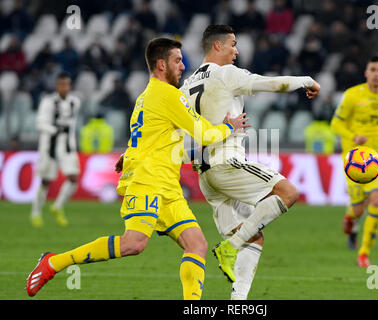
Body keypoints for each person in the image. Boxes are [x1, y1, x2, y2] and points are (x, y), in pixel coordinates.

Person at [26, 37, 249, 299]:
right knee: (133, 244)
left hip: (167, 186)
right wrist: (229, 127)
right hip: (148, 181)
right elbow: (202, 133)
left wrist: (128, 155)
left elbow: (144, 135)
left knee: (197, 244)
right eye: (177, 61)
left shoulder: (146, 96)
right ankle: (53, 263)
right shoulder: (168, 95)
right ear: (161, 65)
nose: (182, 66)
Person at [179, 25, 320, 299]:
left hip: (205, 175)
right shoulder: (226, 73)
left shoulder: (186, 85)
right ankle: (229, 247)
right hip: (227, 163)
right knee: (288, 193)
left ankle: (238, 302)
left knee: (253, 236)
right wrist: (306, 80)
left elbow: (180, 134)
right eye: (232, 44)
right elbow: (272, 84)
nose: (237, 50)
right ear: (217, 46)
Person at [330, 56, 378, 268]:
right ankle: (349, 217)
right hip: (355, 159)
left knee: (376, 200)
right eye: (372, 69)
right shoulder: (352, 95)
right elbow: (336, 124)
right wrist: (353, 136)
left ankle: (363, 253)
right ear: (366, 73)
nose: (376, 73)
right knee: (357, 210)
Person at [30, 73, 81, 228]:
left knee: (73, 178)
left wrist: (72, 143)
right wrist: (55, 129)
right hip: (49, 146)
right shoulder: (48, 102)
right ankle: (36, 213)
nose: (65, 87)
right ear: (56, 86)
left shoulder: (75, 102)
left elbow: (72, 126)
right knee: (46, 181)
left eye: (67, 84)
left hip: (66, 146)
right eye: (62, 84)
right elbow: (39, 124)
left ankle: (57, 206)